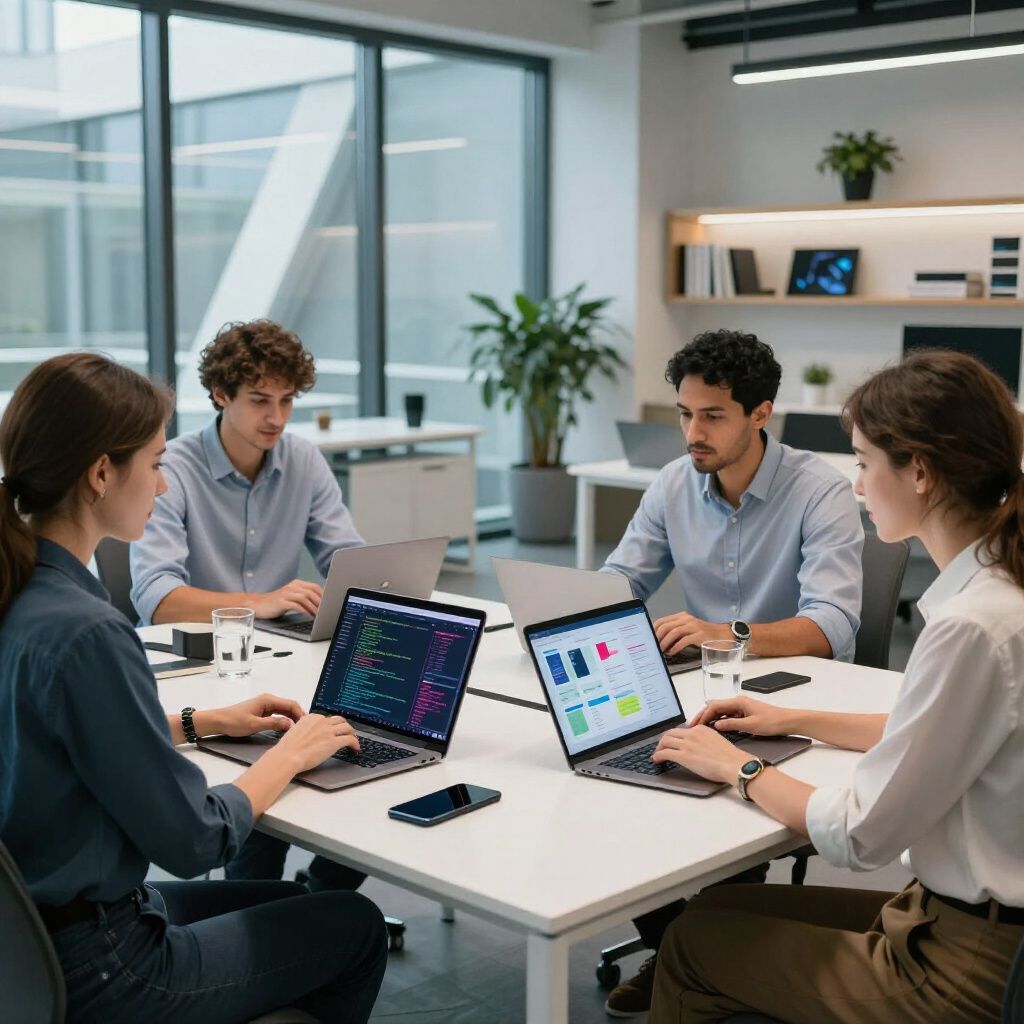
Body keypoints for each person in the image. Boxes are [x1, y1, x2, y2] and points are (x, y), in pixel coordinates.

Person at [0, 353, 387, 1023]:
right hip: (106, 966)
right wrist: (289, 756)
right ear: (100, 474)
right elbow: (194, 842)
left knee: (289, 901)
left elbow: (53, 734)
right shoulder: (88, 631)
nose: (162, 486)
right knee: (353, 924)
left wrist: (204, 721)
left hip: (32, 948)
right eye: (153, 465)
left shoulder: (23, 592)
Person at [647, 350, 1024, 1023]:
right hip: (961, 920)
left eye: (863, 463)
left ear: (920, 474)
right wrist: (789, 718)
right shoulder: (999, 594)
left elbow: (857, 834)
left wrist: (741, 767)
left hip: (970, 963)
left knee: (692, 943)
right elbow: (932, 734)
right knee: (717, 906)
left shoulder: (973, 626)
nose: (855, 486)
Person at [601, 329, 864, 1016]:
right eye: (684, 414)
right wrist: (583, 613)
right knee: (613, 773)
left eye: (712, 415)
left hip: (792, 694)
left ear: (760, 413)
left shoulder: (821, 492)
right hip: (700, 683)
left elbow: (834, 626)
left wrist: (730, 633)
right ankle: (680, 947)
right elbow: (622, 578)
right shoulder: (672, 482)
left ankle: (690, 958)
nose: (693, 432)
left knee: (711, 800)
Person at [130, 319, 367, 893]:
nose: (277, 418)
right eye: (260, 400)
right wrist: (257, 602)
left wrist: (366, 587)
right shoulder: (173, 469)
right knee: (274, 754)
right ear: (220, 394)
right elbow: (157, 597)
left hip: (286, 658)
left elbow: (349, 560)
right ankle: (255, 911)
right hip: (204, 671)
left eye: (287, 401)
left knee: (368, 741)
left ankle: (318, 901)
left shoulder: (304, 462)